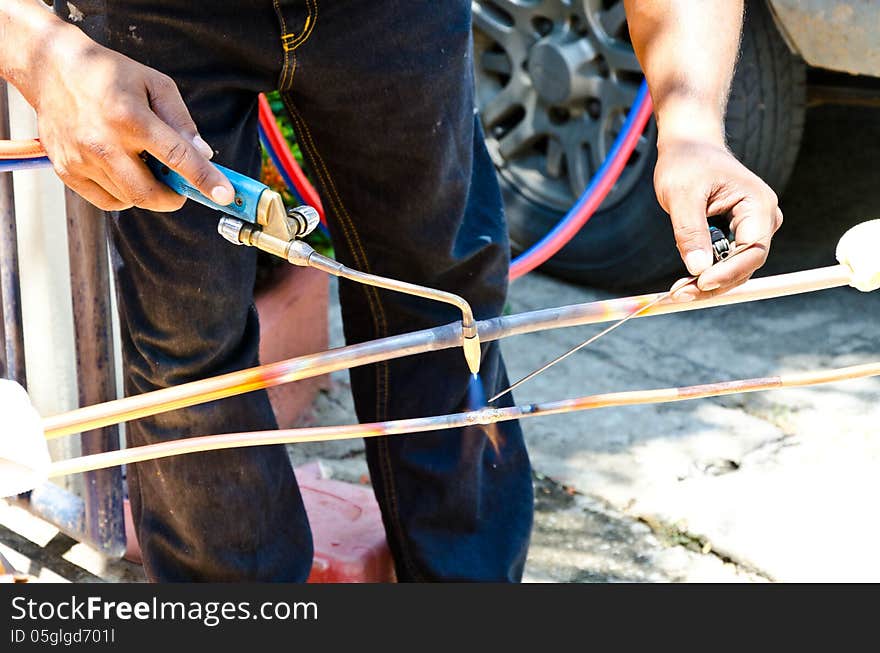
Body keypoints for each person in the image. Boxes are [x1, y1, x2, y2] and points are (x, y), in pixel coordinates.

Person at [0, 0, 781, 581]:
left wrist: (692, 129)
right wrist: (37, 49)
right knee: (188, 350)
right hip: (148, 19)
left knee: (449, 313)